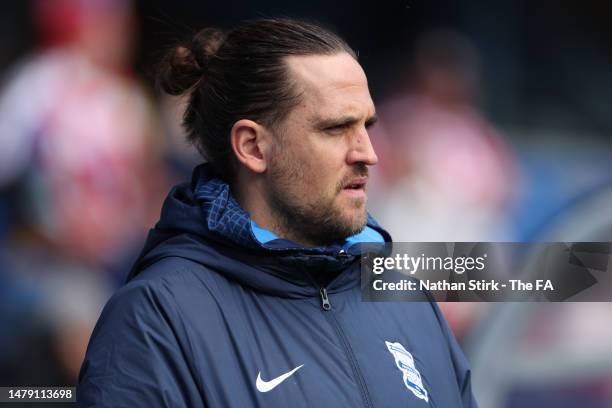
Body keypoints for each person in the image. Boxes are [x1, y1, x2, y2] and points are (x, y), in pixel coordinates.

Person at [77, 18, 477, 407]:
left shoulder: (408, 300)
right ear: (253, 147)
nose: (368, 154)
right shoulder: (157, 318)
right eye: (336, 129)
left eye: (366, 126)